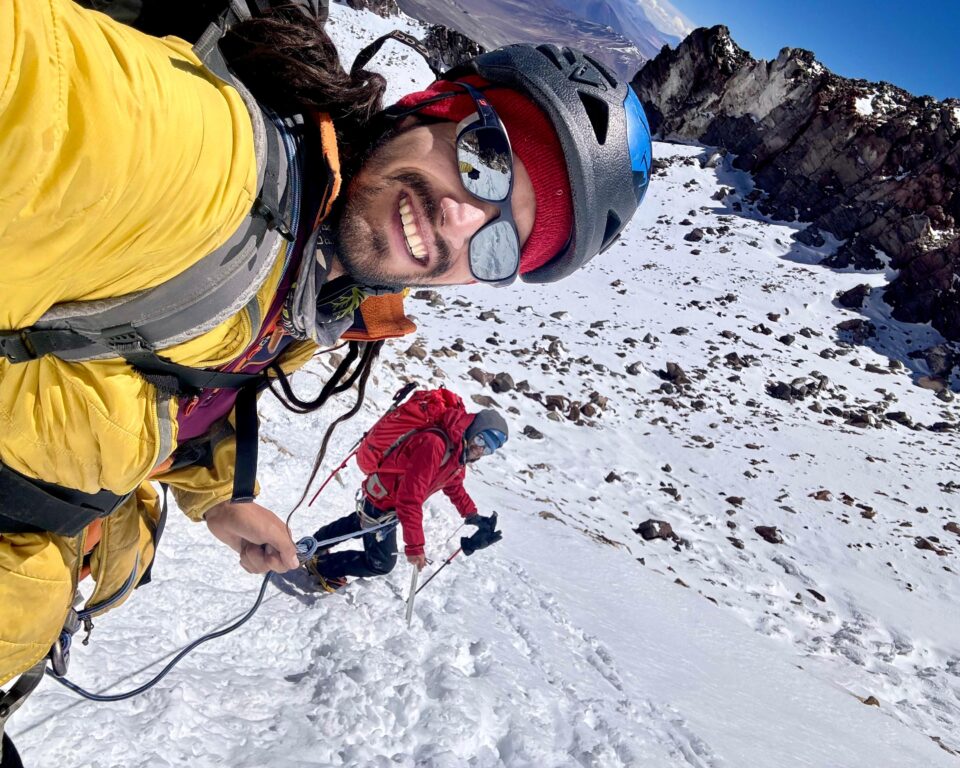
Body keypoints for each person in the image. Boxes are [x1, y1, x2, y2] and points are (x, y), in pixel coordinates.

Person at [0, 0, 652, 748]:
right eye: (487, 161)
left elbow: (168, 374)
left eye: (500, 246)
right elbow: (39, 93)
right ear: (432, 103)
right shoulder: (200, 161)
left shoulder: (316, 286)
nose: (461, 219)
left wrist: (221, 498)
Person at [292, 404, 507, 593]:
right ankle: (322, 566)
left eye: (488, 449)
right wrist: (415, 546)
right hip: (384, 502)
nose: (480, 449)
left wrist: (472, 515)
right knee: (381, 562)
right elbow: (410, 498)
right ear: (473, 429)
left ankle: (312, 546)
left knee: (359, 524)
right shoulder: (435, 444)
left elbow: (453, 484)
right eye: (480, 439)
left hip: (384, 499)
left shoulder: (458, 452)